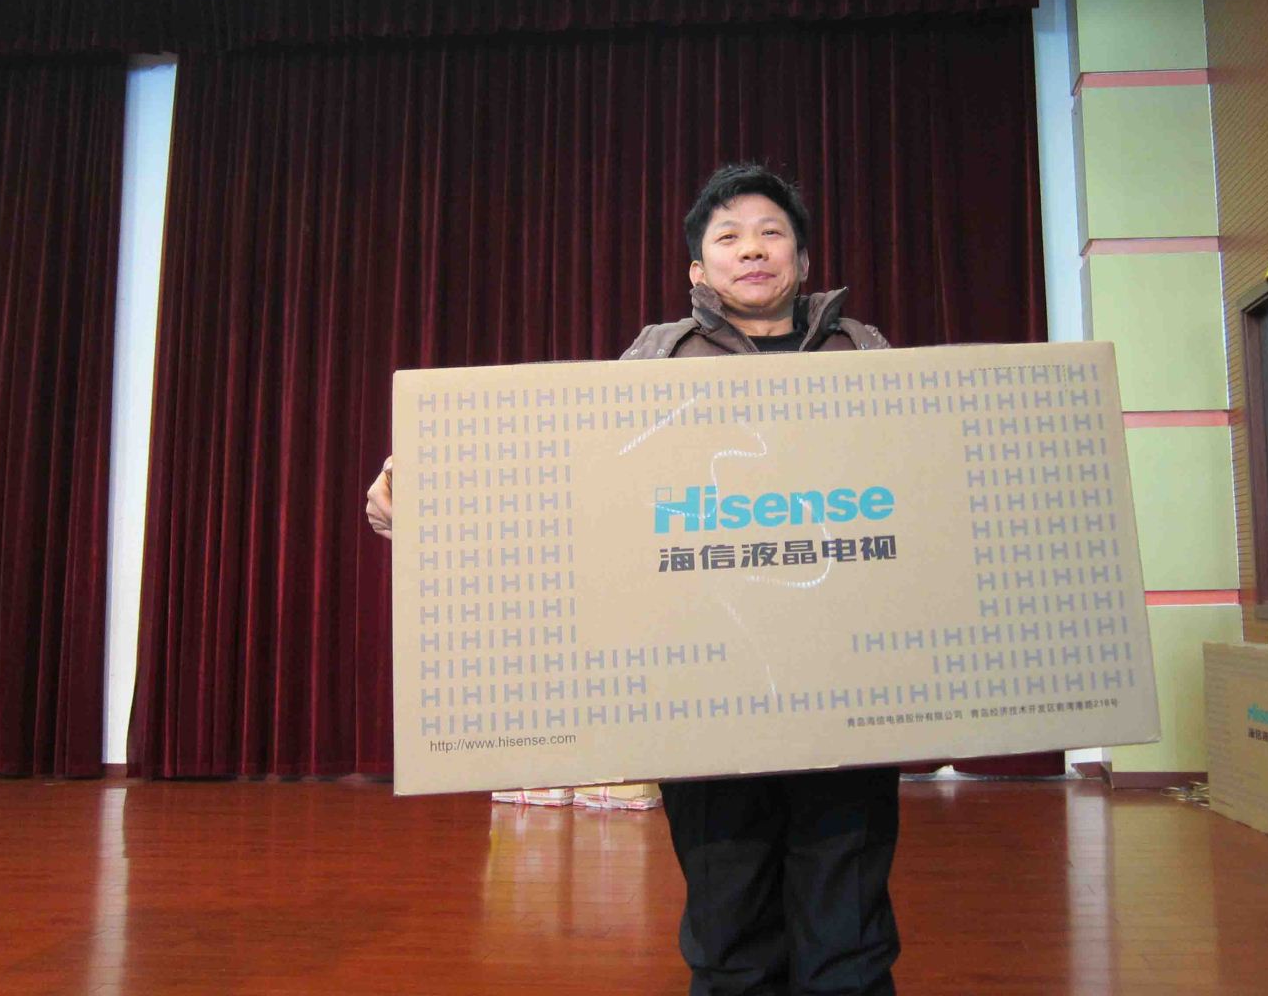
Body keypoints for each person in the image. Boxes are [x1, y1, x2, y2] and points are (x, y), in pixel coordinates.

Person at [371, 162, 900, 995]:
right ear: (699, 268)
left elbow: (918, 489)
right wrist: (430, 493)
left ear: (801, 260)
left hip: (846, 686)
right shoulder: (660, 355)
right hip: (703, 689)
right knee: (729, 932)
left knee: (851, 934)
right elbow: (577, 476)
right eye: (729, 236)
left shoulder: (861, 351)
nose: (752, 249)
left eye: (771, 233)